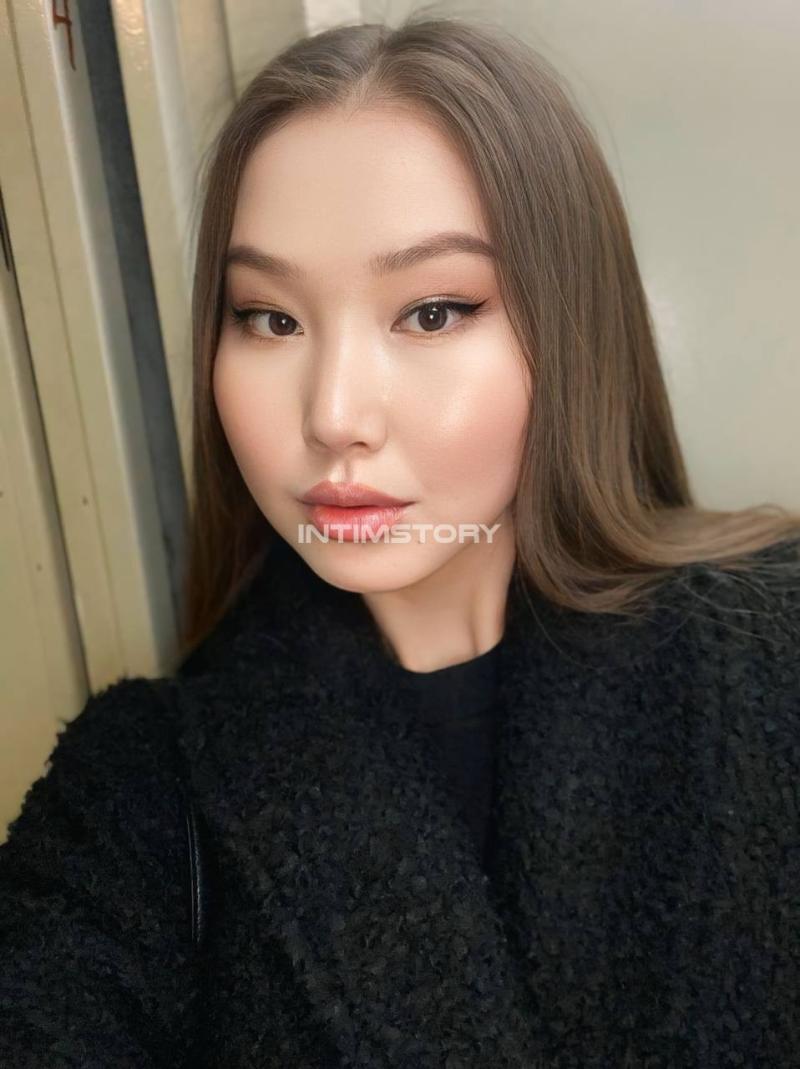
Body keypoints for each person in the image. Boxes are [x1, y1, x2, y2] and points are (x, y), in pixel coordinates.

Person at [1, 13, 799, 1068]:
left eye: (430, 311)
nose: (334, 414)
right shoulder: (138, 790)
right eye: (269, 317)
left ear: (570, 329)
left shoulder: (776, 648)